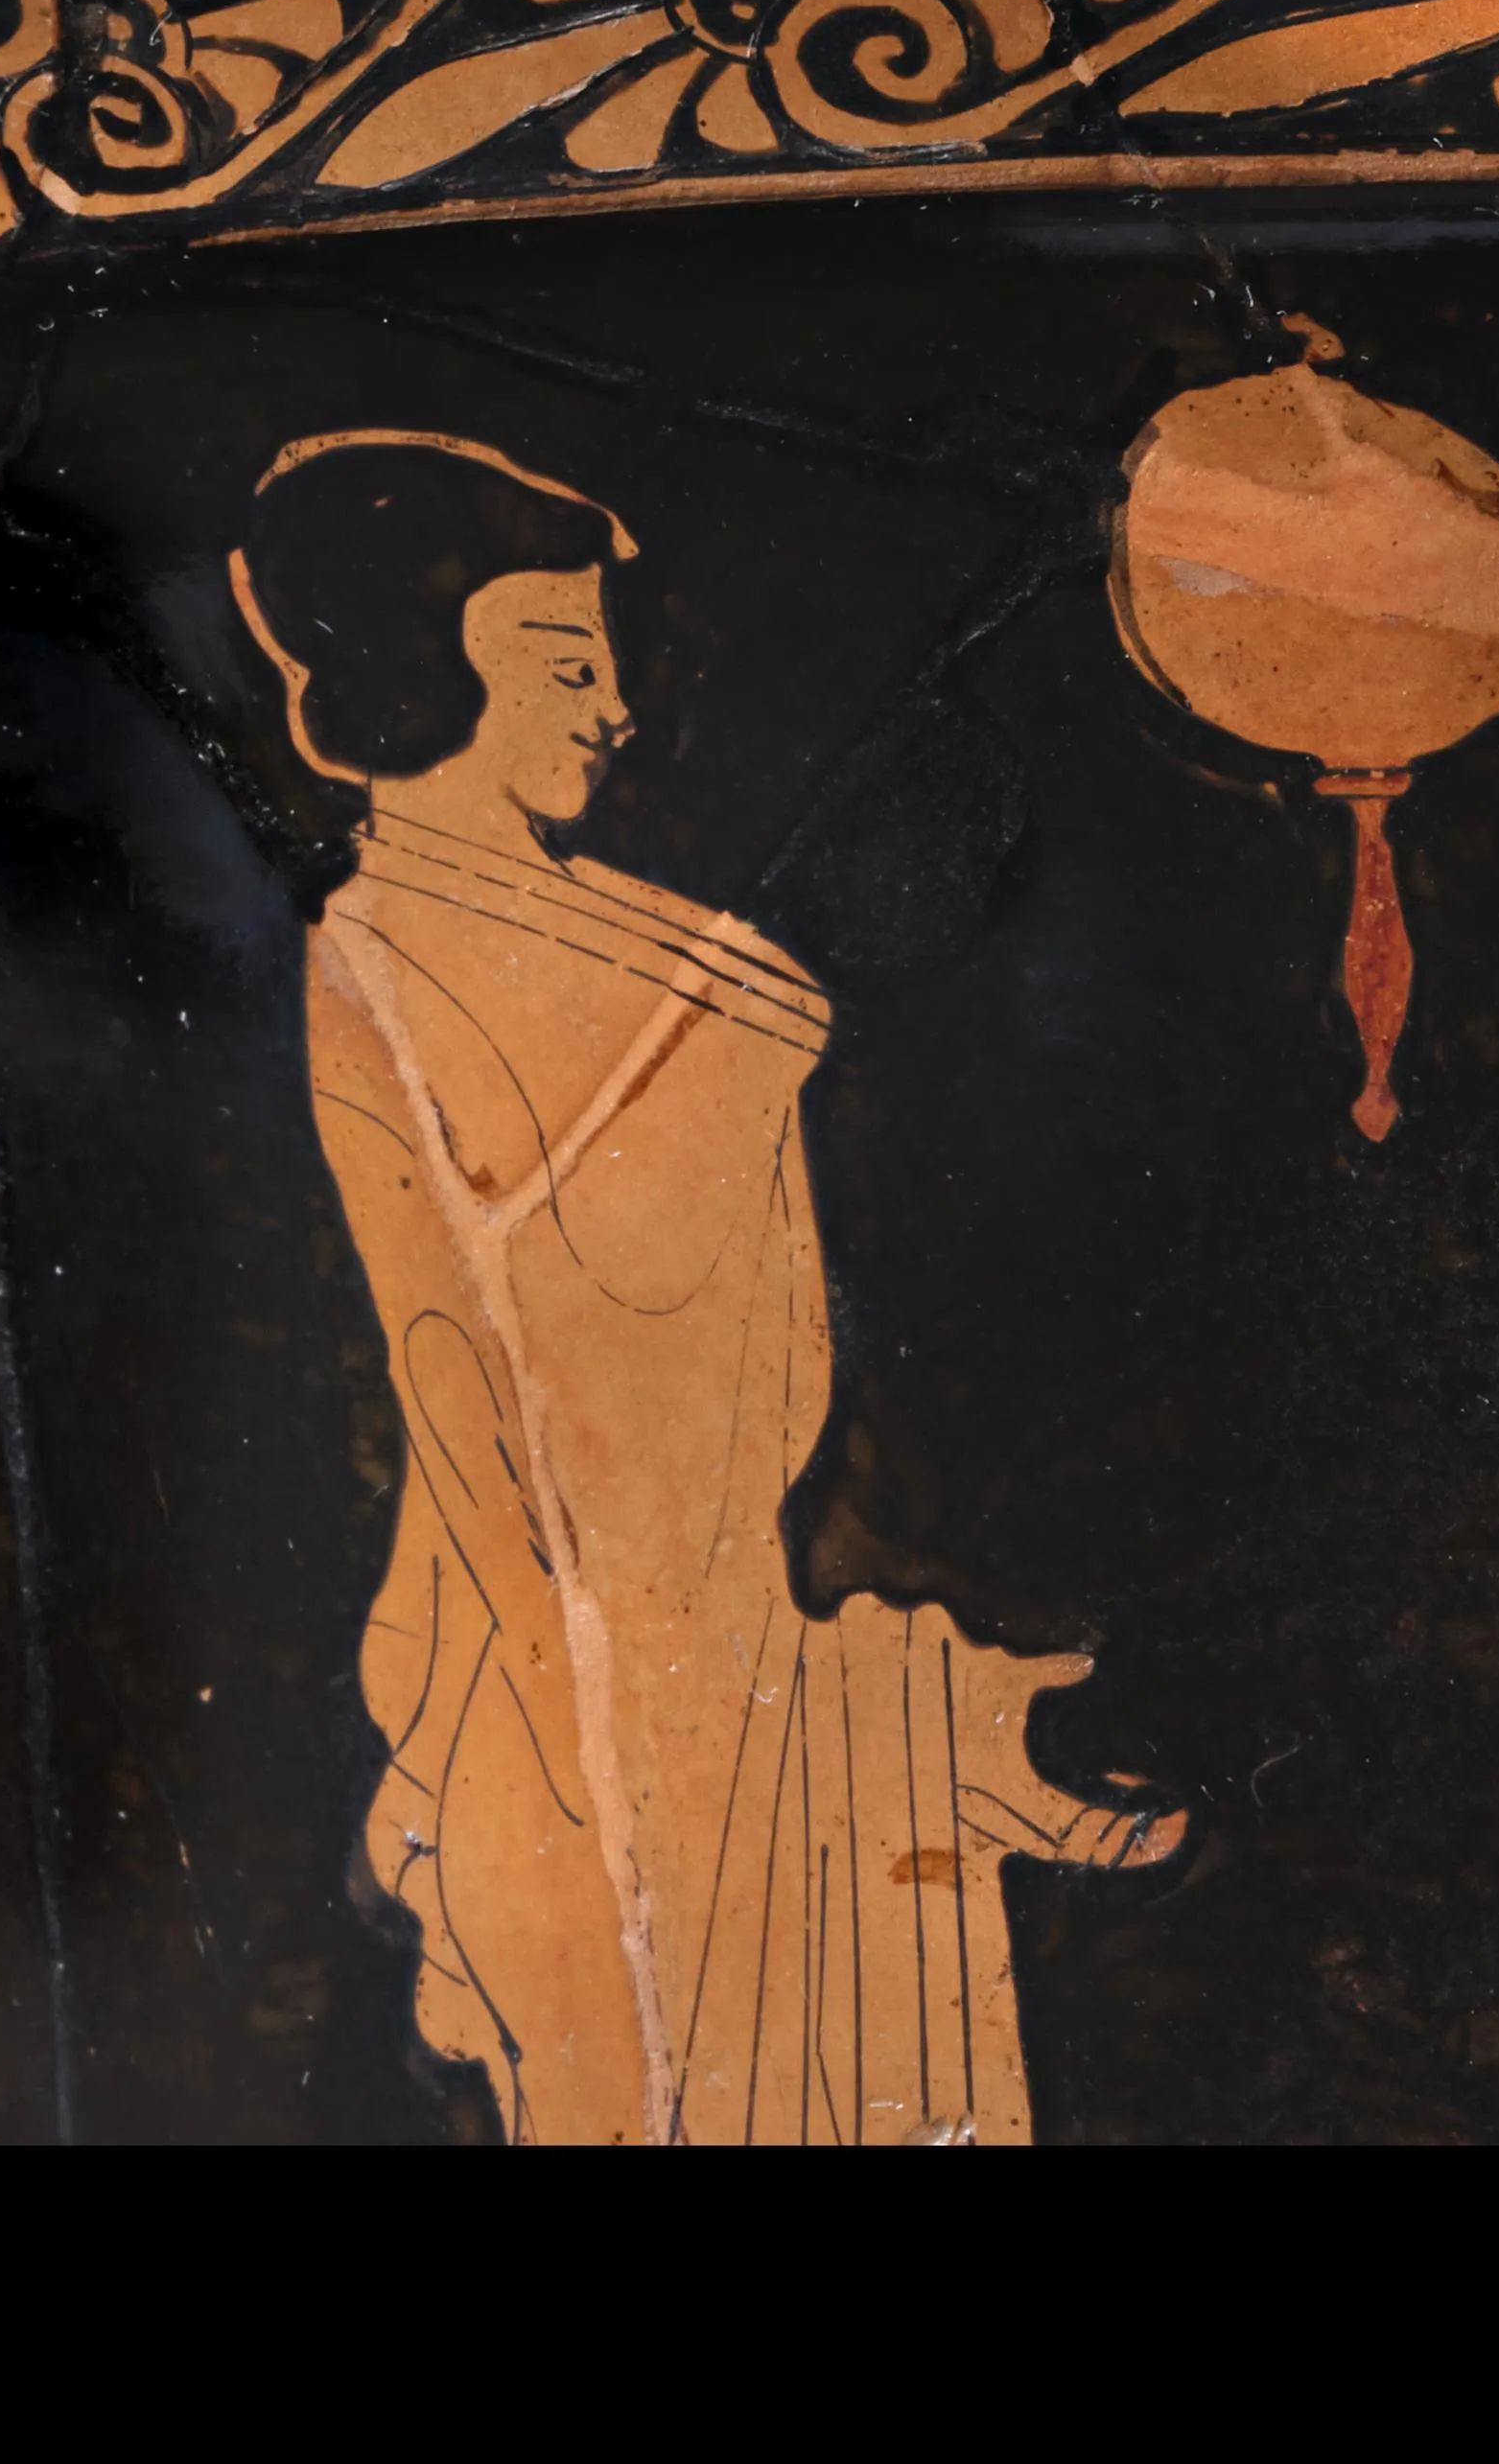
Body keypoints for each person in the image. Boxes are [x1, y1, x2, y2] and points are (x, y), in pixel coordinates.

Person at [234, 430, 1179, 2143]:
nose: (615, 710)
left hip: (718, 1620)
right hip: (557, 1661)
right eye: (562, 663)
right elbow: (512, 1323)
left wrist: (912, 1718)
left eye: (606, 664)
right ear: (417, 675)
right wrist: (726, 1042)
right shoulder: (385, 951)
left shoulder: (630, 942)